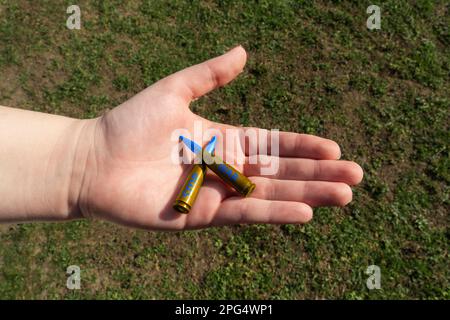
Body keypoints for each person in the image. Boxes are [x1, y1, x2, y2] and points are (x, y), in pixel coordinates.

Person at [0, 46, 363, 231]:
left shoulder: (202, 160)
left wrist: (80, 157)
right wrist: (83, 157)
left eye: (201, 156)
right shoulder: (201, 161)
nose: (199, 156)